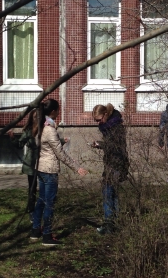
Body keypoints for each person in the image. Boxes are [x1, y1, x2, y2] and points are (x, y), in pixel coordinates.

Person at [30, 99, 88, 246]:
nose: (59, 111)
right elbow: (60, 153)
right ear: (54, 111)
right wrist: (77, 167)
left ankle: (36, 230)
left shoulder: (40, 126)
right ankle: (47, 235)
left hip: (41, 168)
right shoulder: (49, 129)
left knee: (41, 200)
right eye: (58, 109)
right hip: (49, 170)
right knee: (49, 203)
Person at [91, 103, 129, 235]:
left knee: (108, 193)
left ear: (106, 114)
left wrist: (101, 144)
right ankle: (115, 223)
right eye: (96, 121)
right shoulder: (109, 126)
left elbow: (116, 146)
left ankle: (109, 224)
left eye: (99, 119)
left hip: (116, 163)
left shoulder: (116, 127)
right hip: (111, 163)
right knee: (113, 193)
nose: (98, 123)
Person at [8, 109, 38, 223]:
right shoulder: (28, 130)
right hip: (31, 162)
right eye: (35, 116)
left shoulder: (45, 128)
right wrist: (12, 137)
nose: (37, 118)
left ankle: (44, 209)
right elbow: (20, 145)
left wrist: (62, 141)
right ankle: (31, 211)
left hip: (44, 161)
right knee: (32, 188)